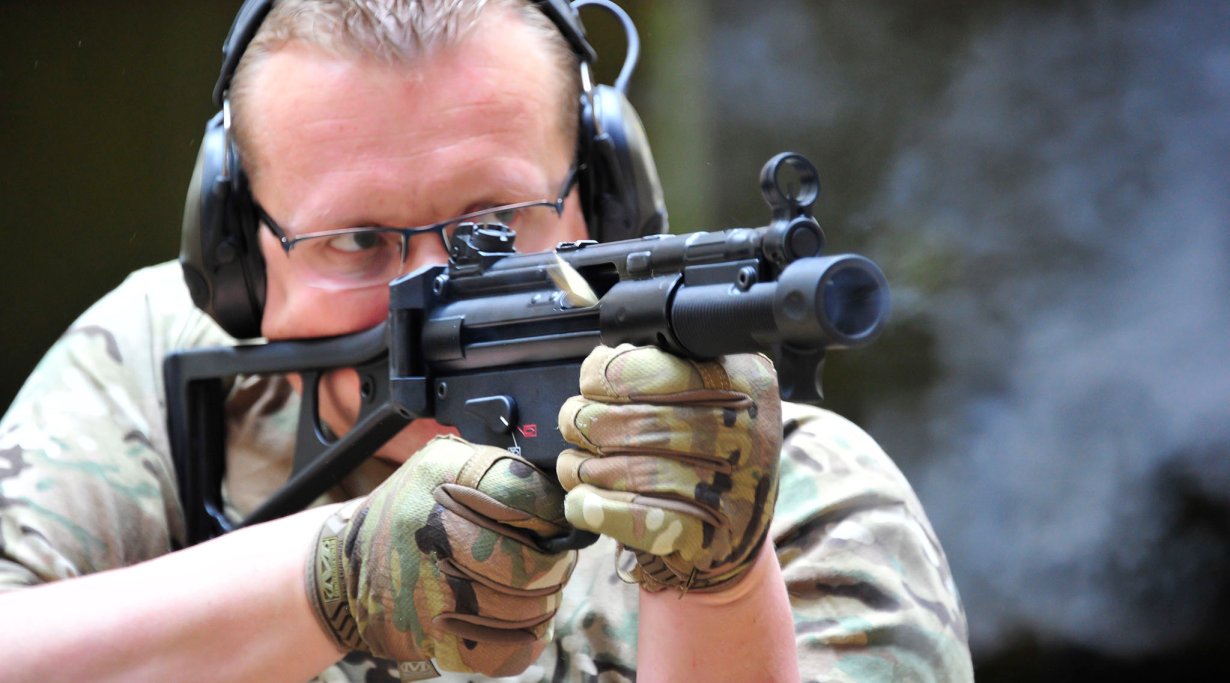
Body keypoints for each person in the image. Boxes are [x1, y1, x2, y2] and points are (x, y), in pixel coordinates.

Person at [0, 1, 973, 681]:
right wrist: (328, 581)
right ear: (236, 259)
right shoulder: (159, 371)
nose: (436, 283)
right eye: (359, 240)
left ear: (605, 204)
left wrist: (714, 584)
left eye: (498, 222)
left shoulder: (786, 488)